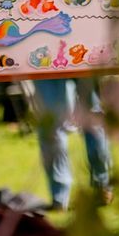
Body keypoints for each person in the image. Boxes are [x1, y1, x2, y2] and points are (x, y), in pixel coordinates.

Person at [30, 77, 111, 209]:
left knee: (88, 119)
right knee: (53, 123)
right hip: (48, 65)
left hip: (62, 66)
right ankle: (62, 197)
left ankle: (100, 184)